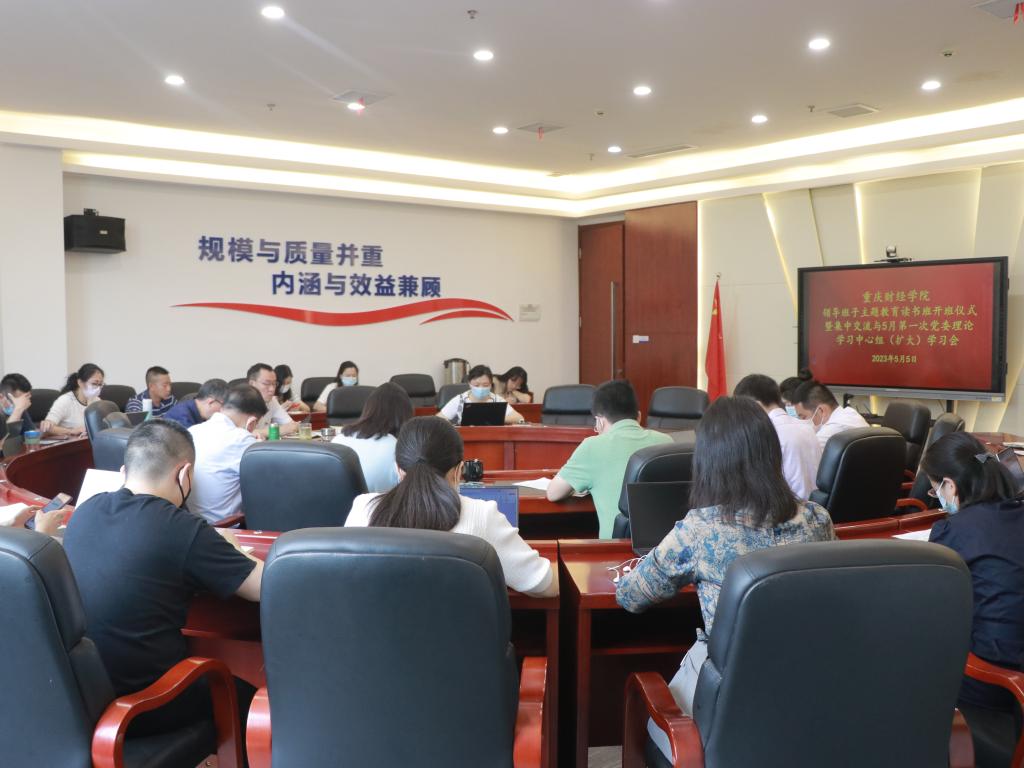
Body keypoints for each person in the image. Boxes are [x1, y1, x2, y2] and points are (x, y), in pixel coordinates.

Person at [614, 396, 835, 762]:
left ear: (708, 461)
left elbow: (631, 597)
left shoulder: (701, 529)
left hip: (728, 710)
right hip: (809, 701)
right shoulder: (818, 520)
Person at [62, 419, 261, 746]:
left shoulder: (86, 510)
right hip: (145, 704)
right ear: (185, 474)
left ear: (124, 471)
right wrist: (235, 550)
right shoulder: (183, 528)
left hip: (79, 701)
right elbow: (264, 586)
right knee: (248, 701)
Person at [345, 416, 557, 596]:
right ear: (458, 471)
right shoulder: (481, 515)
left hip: (372, 633)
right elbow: (544, 585)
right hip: (461, 634)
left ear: (398, 469)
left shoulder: (363, 508)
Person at [922, 432, 1024, 767]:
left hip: (993, 678)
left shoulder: (954, 531)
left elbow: (933, 609)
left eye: (934, 488)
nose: (936, 497)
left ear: (950, 485)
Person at [547, 379, 672, 538]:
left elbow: (553, 493)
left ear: (600, 421)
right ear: (639, 416)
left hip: (615, 548)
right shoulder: (667, 442)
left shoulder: (592, 446)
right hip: (664, 546)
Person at [187, 384, 267, 523]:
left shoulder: (192, 431)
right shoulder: (241, 439)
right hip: (227, 525)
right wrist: (259, 448)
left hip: (193, 522)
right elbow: (268, 479)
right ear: (252, 422)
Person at [734, 373, 821, 499]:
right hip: (815, 507)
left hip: (789, 508)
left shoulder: (765, 433)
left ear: (756, 405)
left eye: (742, 410)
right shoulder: (807, 428)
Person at [332, 382, 413, 492]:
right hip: (383, 503)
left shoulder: (338, 439)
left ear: (368, 408)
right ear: (404, 415)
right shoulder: (396, 447)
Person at [793, 376, 868, 450]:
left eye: (804, 417)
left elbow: (802, 454)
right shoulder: (850, 414)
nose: (802, 422)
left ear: (821, 411)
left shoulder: (832, 431)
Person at [438, 364, 523, 425]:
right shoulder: (460, 399)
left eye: (485, 385)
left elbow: (519, 418)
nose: (481, 388)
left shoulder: (497, 400)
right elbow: (438, 419)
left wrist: (493, 419)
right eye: (476, 385)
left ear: (491, 384)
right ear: (469, 384)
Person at [45, 363, 105, 436]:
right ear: (80, 382)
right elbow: (48, 428)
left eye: (100, 384)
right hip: (70, 441)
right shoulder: (65, 400)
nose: (98, 388)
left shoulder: (96, 400)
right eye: (94, 383)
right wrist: (71, 431)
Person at [247, 362, 298, 438]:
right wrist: (281, 430)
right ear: (252, 384)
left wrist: (288, 428)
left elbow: (292, 425)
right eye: (266, 383)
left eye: (274, 384)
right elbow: (245, 433)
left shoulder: (272, 401)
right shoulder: (240, 403)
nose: (272, 389)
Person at [0, 373, 48, 450]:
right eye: (19, 399)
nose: (23, 402)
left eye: (25, 398)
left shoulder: (21, 409)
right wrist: (18, 409)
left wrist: (45, 429)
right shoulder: (19, 408)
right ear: (1, 396)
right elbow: (3, 444)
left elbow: (32, 434)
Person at [161, 378, 229, 429]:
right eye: (223, 405)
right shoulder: (181, 417)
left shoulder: (201, 415)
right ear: (210, 402)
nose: (223, 411)